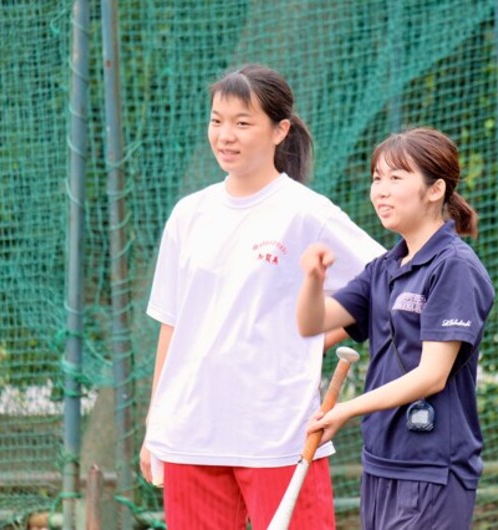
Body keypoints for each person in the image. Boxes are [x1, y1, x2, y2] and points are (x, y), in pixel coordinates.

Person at [140, 64, 384, 530]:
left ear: (280, 130)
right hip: (192, 433)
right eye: (217, 120)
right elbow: (173, 326)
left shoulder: (307, 213)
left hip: (280, 433)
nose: (225, 135)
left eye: (242, 122)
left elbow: (386, 283)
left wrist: (311, 340)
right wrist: (158, 425)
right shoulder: (188, 214)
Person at [297, 127, 495, 529]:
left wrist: (346, 409)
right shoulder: (384, 268)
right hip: (382, 460)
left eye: (395, 178)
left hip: (433, 467)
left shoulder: (454, 266)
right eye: (376, 178)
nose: (381, 190)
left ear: (435, 189)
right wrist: (313, 279)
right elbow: (311, 324)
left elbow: (432, 375)